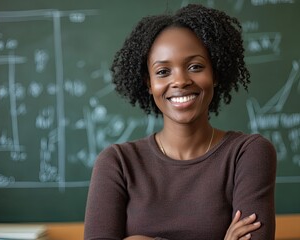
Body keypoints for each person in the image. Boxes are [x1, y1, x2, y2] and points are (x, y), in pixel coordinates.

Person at [84, 4, 277, 240]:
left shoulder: (248, 154)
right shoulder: (117, 163)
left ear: (215, 74)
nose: (180, 81)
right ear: (148, 83)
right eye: (163, 72)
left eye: (195, 67)